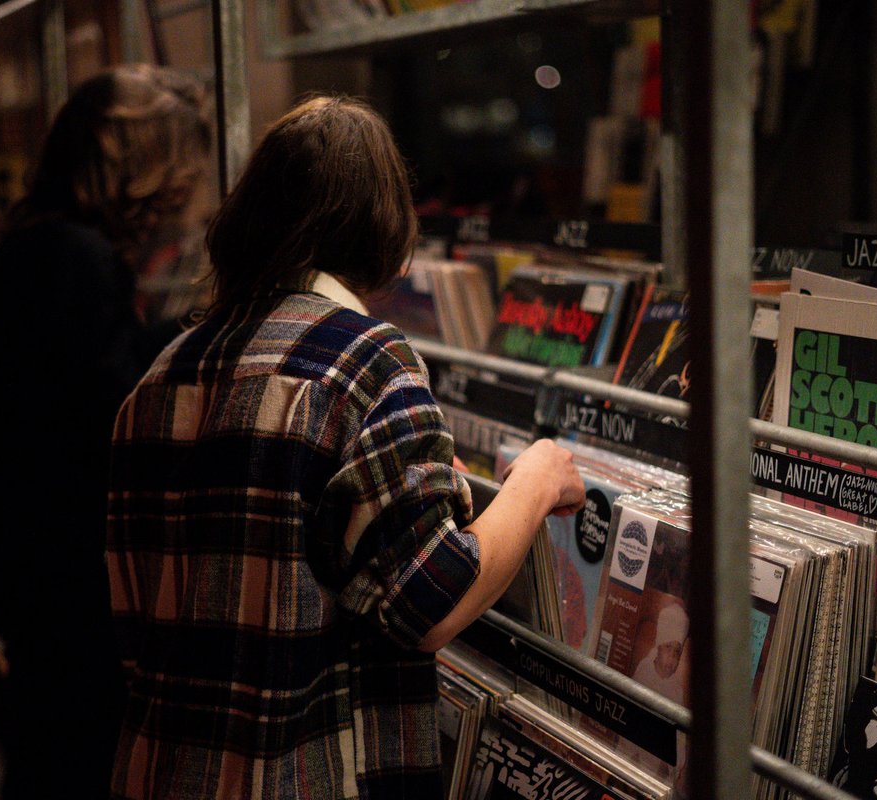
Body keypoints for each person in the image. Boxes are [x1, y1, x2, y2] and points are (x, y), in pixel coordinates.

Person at [105, 94, 586, 800]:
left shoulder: (161, 372)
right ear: (385, 230)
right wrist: (536, 481)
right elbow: (431, 605)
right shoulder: (366, 365)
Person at [0, 64, 211, 800]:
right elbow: (110, 403)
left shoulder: (35, 241)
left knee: (49, 746)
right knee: (71, 757)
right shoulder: (71, 258)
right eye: (177, 163)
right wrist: (201, 327)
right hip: (63, 567)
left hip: (29, 552)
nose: (185, 186)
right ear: (136, 162)